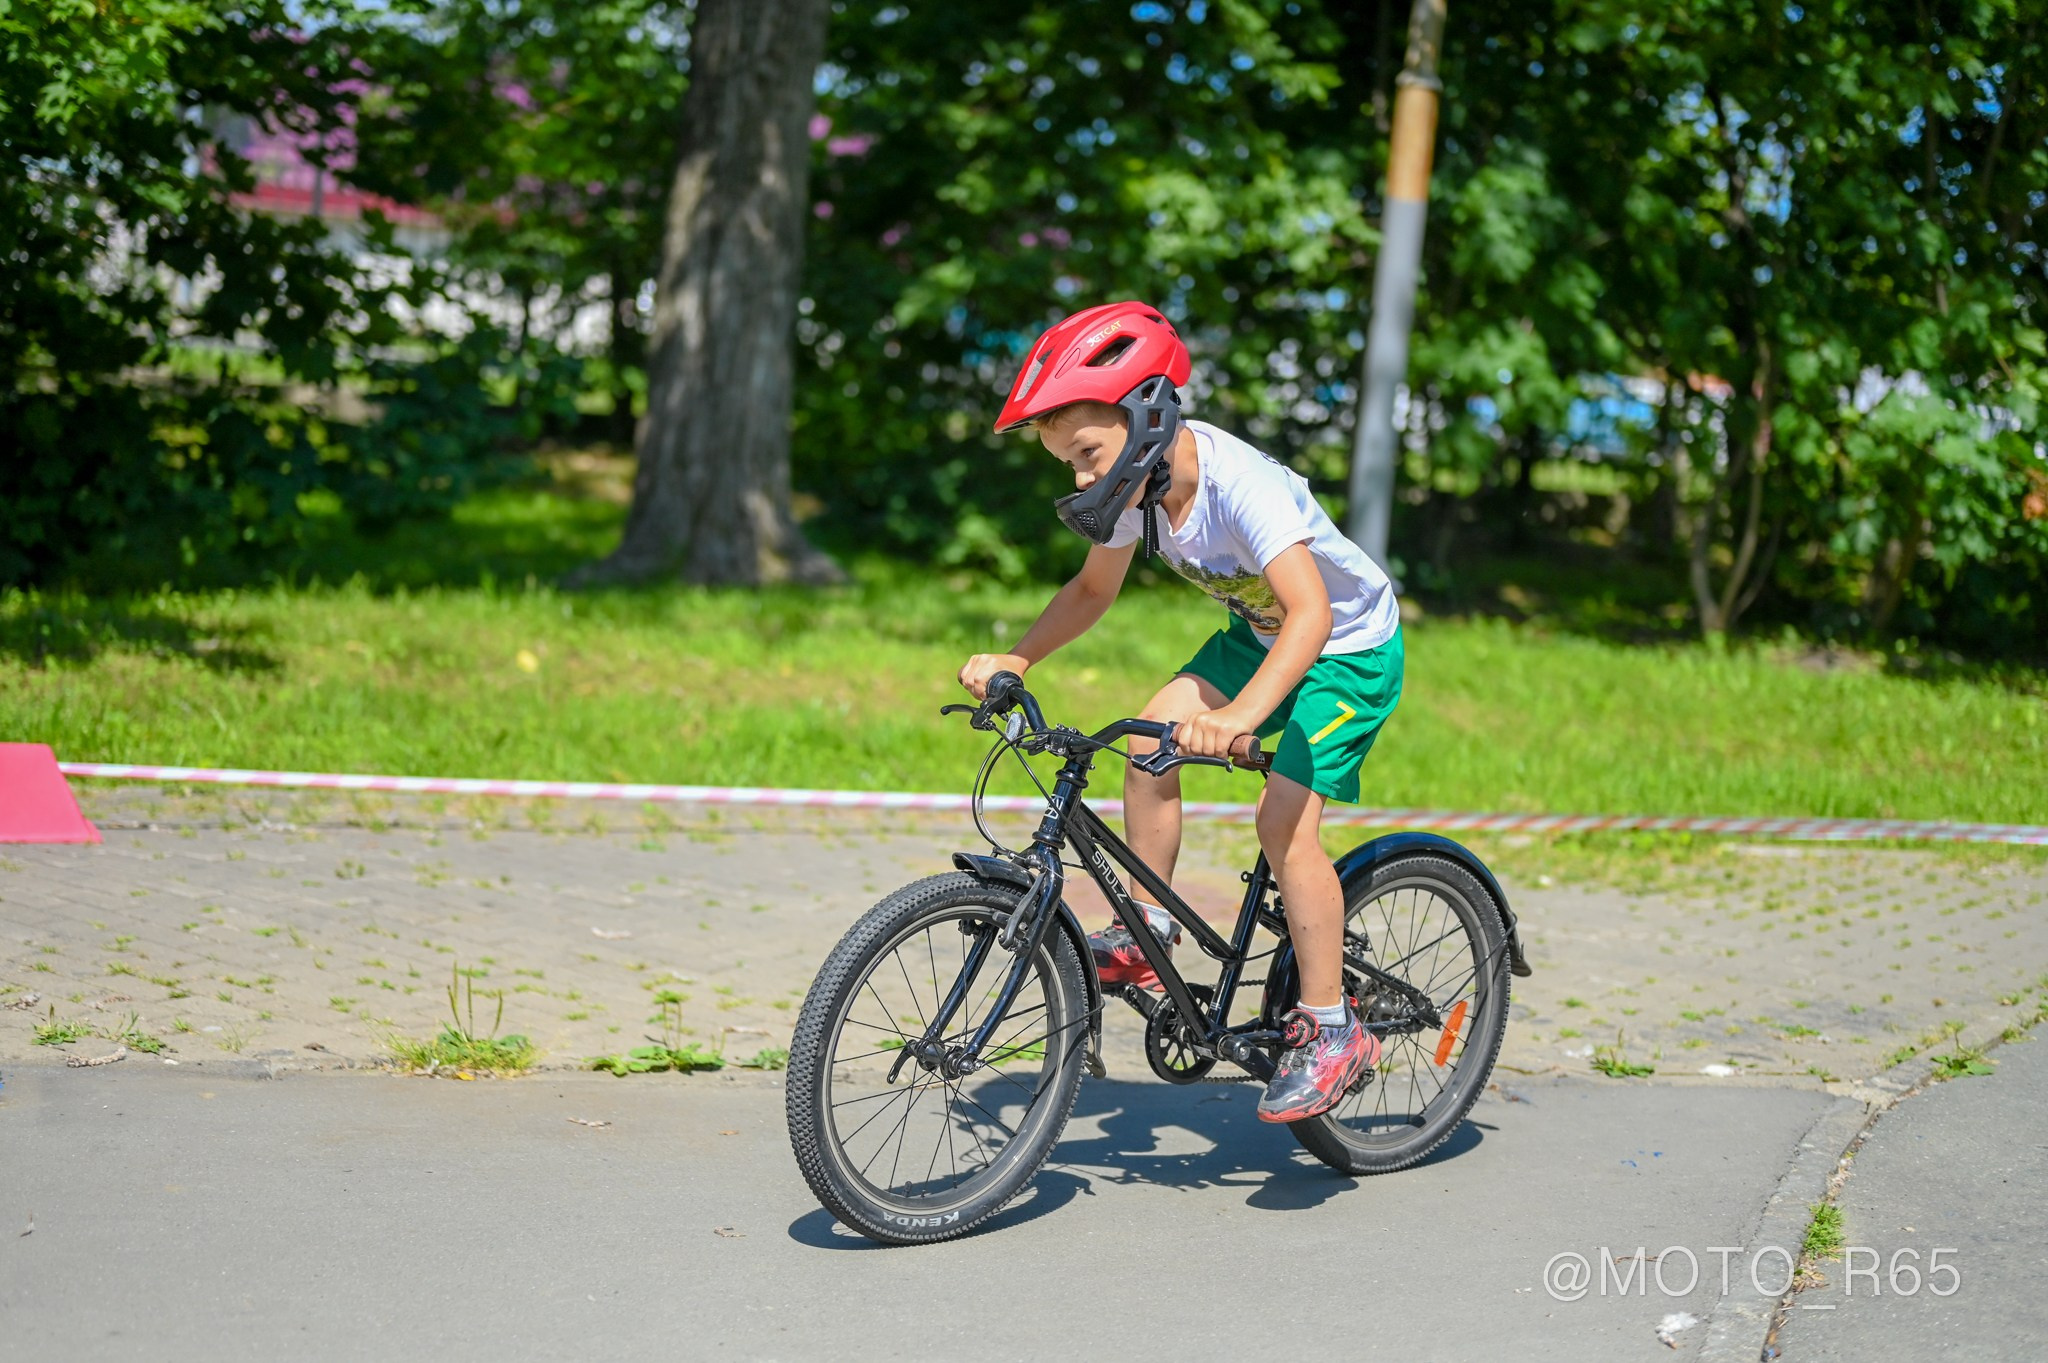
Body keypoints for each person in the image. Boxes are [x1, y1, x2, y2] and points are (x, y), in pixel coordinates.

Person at [956, 300, 1405, 1123]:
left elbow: (1311, 615)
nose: (1083, 478)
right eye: (1067, 464)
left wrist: (1241, 714)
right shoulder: (1136, 487)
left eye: (1087, 454)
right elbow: (1094, 589)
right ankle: (1151, 928)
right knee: (1148, 743)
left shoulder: (1242, 485)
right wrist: (1019, 657)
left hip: (1348, 648)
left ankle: (1334, 1027)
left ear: (1146, 415)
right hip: (1259, 631)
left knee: (1283, 826)